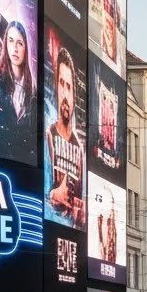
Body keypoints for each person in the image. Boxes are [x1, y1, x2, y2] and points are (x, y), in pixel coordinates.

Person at [0, 20, 36, 157]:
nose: (15, 48)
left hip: (24, 159)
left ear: (26, 48)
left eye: (20, 43)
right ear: (6, 43)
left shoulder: (33, 89)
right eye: (11, 41)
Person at [46, 48, 85, 224]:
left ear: (74, 95)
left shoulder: (79, 149)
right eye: (61, 83)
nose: (65, 93)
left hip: (71, 234)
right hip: (47, 227)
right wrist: (54, 195)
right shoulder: (48, 135)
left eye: (68, 86)